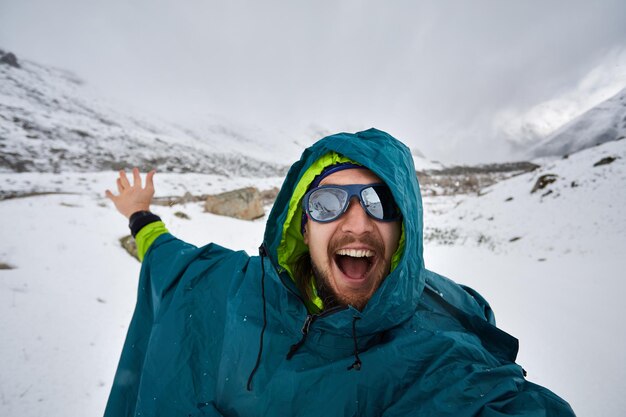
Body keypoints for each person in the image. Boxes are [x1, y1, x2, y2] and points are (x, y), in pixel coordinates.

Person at [104, 128, 575, 416]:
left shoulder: (439, 344)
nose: (355, 222)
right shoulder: (231, 287)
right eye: (327, 203)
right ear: (301, 225)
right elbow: (172, 258)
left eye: (380, 202)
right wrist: (141, 217)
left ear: (404, 227)